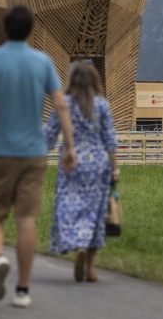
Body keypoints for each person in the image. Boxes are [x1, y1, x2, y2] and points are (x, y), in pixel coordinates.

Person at [0, 5, 76, 309]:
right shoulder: (43, 62)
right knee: (26, 218)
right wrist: (70, 146)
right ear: (31, 30)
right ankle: (23, 290)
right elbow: (61, 106)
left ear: (5, 28)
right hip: (33, 152)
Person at [44, 61, 119, 283]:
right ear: (94, 81)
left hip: (71, 163)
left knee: (69, 206)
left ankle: (78, 244)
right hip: (98, 164)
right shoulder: (102, 105)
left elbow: (49, 134)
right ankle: (91, 268)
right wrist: (115, 168)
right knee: (95, 213)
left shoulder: (64, 104)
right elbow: (110, 140)